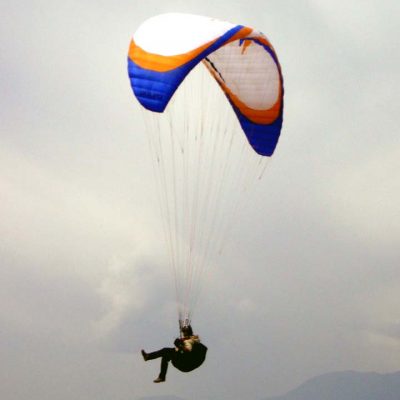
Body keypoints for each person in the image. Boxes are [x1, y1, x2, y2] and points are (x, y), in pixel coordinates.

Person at [141, 325, 207, 383]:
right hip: (186, 361)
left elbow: (187, 350)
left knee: (165, 351)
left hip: (184, 363)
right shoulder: (192, 340)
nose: (183, 334)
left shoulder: (188, 341)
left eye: (184, 332)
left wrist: (179, 346)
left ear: (187, 333)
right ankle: (161, 376)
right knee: (166, 354)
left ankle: (148, 358)